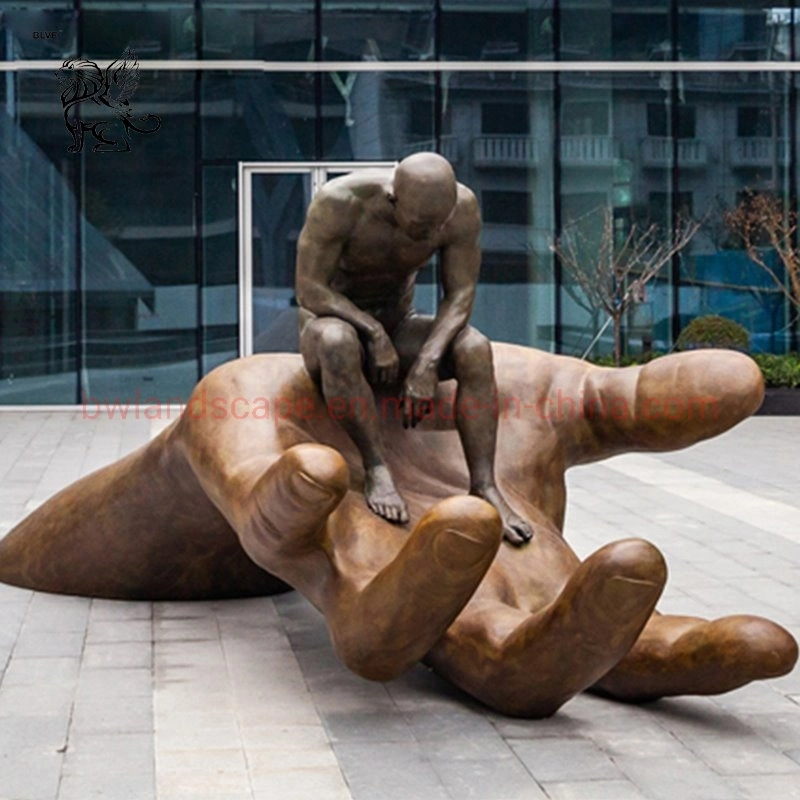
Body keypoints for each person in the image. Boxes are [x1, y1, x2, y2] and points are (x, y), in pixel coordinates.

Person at [0, 344, 795, 717]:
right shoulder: (251, 398)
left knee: (463, 531)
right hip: (149, 540)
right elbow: (41, 550)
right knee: (315, 496)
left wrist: (572, 408)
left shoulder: (491, 378)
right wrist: (252, 490)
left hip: (351, 499)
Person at [295, 152, 533, 545]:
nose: (427, 235)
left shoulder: (462, 208)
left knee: (475, 347)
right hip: (330, 324)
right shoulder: (339, 203)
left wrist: (426, 362)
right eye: (420, 224)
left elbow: (460, 294)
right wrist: (371, 331)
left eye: (436, 226)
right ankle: (376, 467)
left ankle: (485, 485)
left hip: (399, 321)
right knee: (339, 342)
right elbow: (309, 289)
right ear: (393, 199)